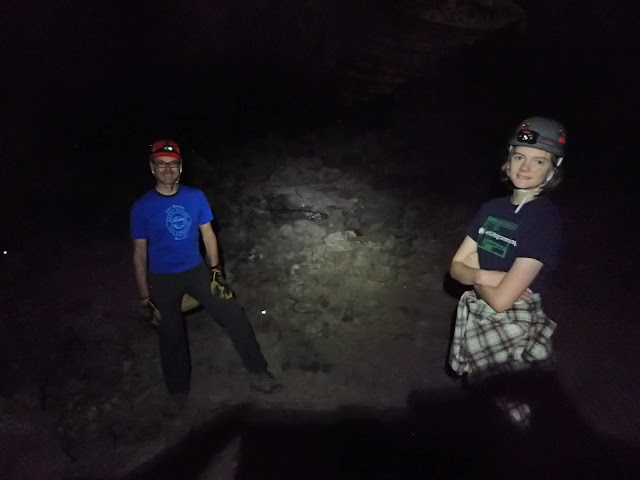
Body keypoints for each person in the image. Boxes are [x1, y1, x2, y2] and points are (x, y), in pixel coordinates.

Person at [130, 139, 280, 414]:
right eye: (161, 164)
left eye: (173, 164)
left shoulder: (195, 197)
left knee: (234, 314)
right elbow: (139, 253)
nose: (167, 169)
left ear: (180, 167)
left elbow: (208, 235)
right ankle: (177, 391)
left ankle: (258, 372)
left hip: (196, 271)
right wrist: (144, 296)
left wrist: (216, 271)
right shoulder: (142, 206)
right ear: (152, 168)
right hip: (162, 278)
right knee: (171, 335)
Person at [447, 117, 566, 427]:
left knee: (512, 417)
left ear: (552, 169)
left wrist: (475, 272)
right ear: (509, 159)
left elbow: (502, 301)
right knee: (481, 406)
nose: (525, 168)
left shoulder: (543, 220)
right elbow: (455, 268)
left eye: (538, 161)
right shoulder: (492, 209)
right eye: (519, 157)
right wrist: (484, 276)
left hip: (516, 329)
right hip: (479, 318)